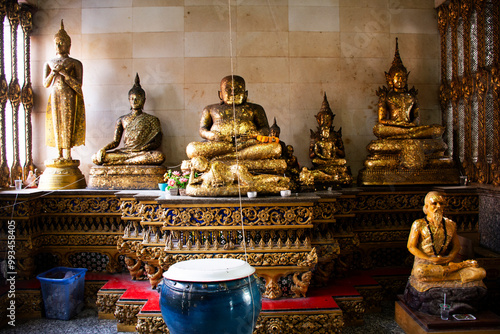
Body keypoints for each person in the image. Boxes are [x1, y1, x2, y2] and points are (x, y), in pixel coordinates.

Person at [186, 75, 281, 161]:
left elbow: (265, 128)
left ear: (245, 94)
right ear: (220, 94)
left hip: (248, 144)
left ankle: (227, 158)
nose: (233, 92)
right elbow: (202, 129)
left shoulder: (255, 108)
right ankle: (237, 156)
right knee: (192, 149)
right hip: (220, 145)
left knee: (276, 148)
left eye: (238, 89)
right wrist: (211, 135)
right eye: (228, 89)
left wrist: (253, 135)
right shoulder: (211, 109)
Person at [407, 191, 486, 289]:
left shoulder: (450, 224)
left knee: (481, 272)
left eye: (441, 203)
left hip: (445, 262)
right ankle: (456, 270)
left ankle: (445, 274)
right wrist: (429, 258)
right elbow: (411, 246)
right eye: (434, 204)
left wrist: (449, 257)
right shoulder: (418, 224)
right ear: (426, 207)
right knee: (420, 272)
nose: (438, 206)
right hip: (425, 263)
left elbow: (457, 246)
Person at [373, 38, 443, 140]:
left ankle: (406, 134)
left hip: (411, 128)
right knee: (378, 129)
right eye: (398, 77)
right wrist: (396, 123)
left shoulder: (412, 96)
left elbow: (417, 118)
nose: (401, 80)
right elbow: (381, 120)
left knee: (437, 129)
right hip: (394, 129)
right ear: (390, 79)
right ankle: (407, 134)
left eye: (403, 77)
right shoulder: (386, 96)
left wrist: (412, 124)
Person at [92, 74, 165, 165]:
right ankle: (126, 161)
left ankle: (122, 162)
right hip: (125, 153)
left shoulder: (152, 119)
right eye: (132, 99)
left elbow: (157, 142)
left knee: (159, 157)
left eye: (138, 99)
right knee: (95, 158)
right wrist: (103, 149)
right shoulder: (122, 119)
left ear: (144, 100)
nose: (134, 101)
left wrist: (143, 148)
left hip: (141, 153)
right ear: (128, 100)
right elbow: (115, 142)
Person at [43, 20, 85, 161]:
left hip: (69, 95)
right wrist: (53, 73)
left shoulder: (75, 63)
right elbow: (45, 84)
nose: (59, 45)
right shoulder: (49, 63)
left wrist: (65, 74)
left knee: (68, 122)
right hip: (55, 94)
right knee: (56, 121)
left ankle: (67, 153)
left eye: (62, 43)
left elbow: (78, 84)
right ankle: (58, 153)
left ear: (69, 45)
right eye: (57, 43)